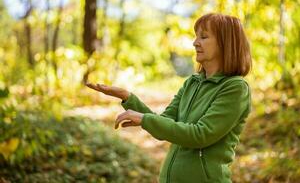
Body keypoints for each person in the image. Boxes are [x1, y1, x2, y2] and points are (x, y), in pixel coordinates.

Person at [86, 13, 252, 183]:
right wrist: (128, 98)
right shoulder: (192, 83)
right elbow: (164, 123)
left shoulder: (235, 88)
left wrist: (143, 119)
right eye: (196, 37)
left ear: (225, 43)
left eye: (204, 37)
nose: (195, 43)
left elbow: (200, 135)